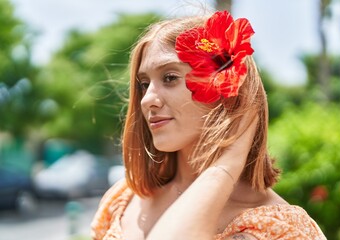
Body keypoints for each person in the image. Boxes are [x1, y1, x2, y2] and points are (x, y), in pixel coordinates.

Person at [91, 10, 327, 240]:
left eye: (170, 78)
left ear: (228, 90)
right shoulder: (122, 199)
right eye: (144, 84)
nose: (147, 99)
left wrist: (227, 164)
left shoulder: (282, 230)